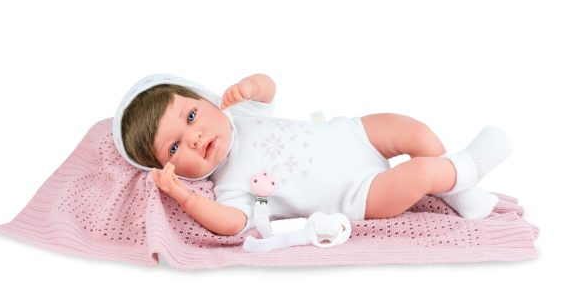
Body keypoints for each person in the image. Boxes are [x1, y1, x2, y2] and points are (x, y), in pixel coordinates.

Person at [112, 73, 513, 237]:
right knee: (422, 173)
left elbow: (269, 89)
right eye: (175, 147)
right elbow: (233, 224)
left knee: (415, 131)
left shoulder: (241, 115)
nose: (195, 137)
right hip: (359, 194)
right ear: (170, 168)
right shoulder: (228, 186)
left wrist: (252, 86)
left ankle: (461, 192)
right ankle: (468, 167)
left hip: (354, 136)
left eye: (191, 116)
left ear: (205, 99)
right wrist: (185, 198)